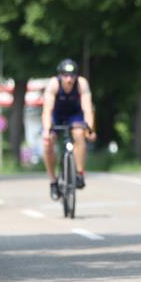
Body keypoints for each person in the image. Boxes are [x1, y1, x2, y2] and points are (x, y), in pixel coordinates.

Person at [42, 59, 96, 199]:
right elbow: (47, 110)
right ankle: (53, 181)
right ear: (60, 76)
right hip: (56, 115)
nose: (69, 79)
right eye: (65, 75)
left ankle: (79, 173)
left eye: (72, 75)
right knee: (48, 144)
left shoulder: (82, 84)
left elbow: (88, 108)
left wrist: (90, 129)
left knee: (79, 134)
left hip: (75, 115)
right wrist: (47, 130)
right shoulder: (53, 84)